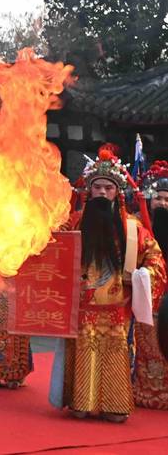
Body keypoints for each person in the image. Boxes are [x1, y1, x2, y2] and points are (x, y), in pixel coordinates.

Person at [53, 147, 167, 422]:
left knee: (115, 352)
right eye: (98, 188)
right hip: (82, 305)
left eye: (108, 188)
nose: (102, 193)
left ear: (117, 192)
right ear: (89, 192)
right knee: (83, 349)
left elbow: (157, 260)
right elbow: (54, 249)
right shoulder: (75, 223)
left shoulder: (132, 228)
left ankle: (114, 405)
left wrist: (142, 276)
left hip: (117, 306)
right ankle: (80, 402)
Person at [133, 160, 168, 409]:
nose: (163, 204)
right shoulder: (137, 226)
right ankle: (143, 391)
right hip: (147, 299)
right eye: (158, 199)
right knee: (147, 348)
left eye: (167, 200)